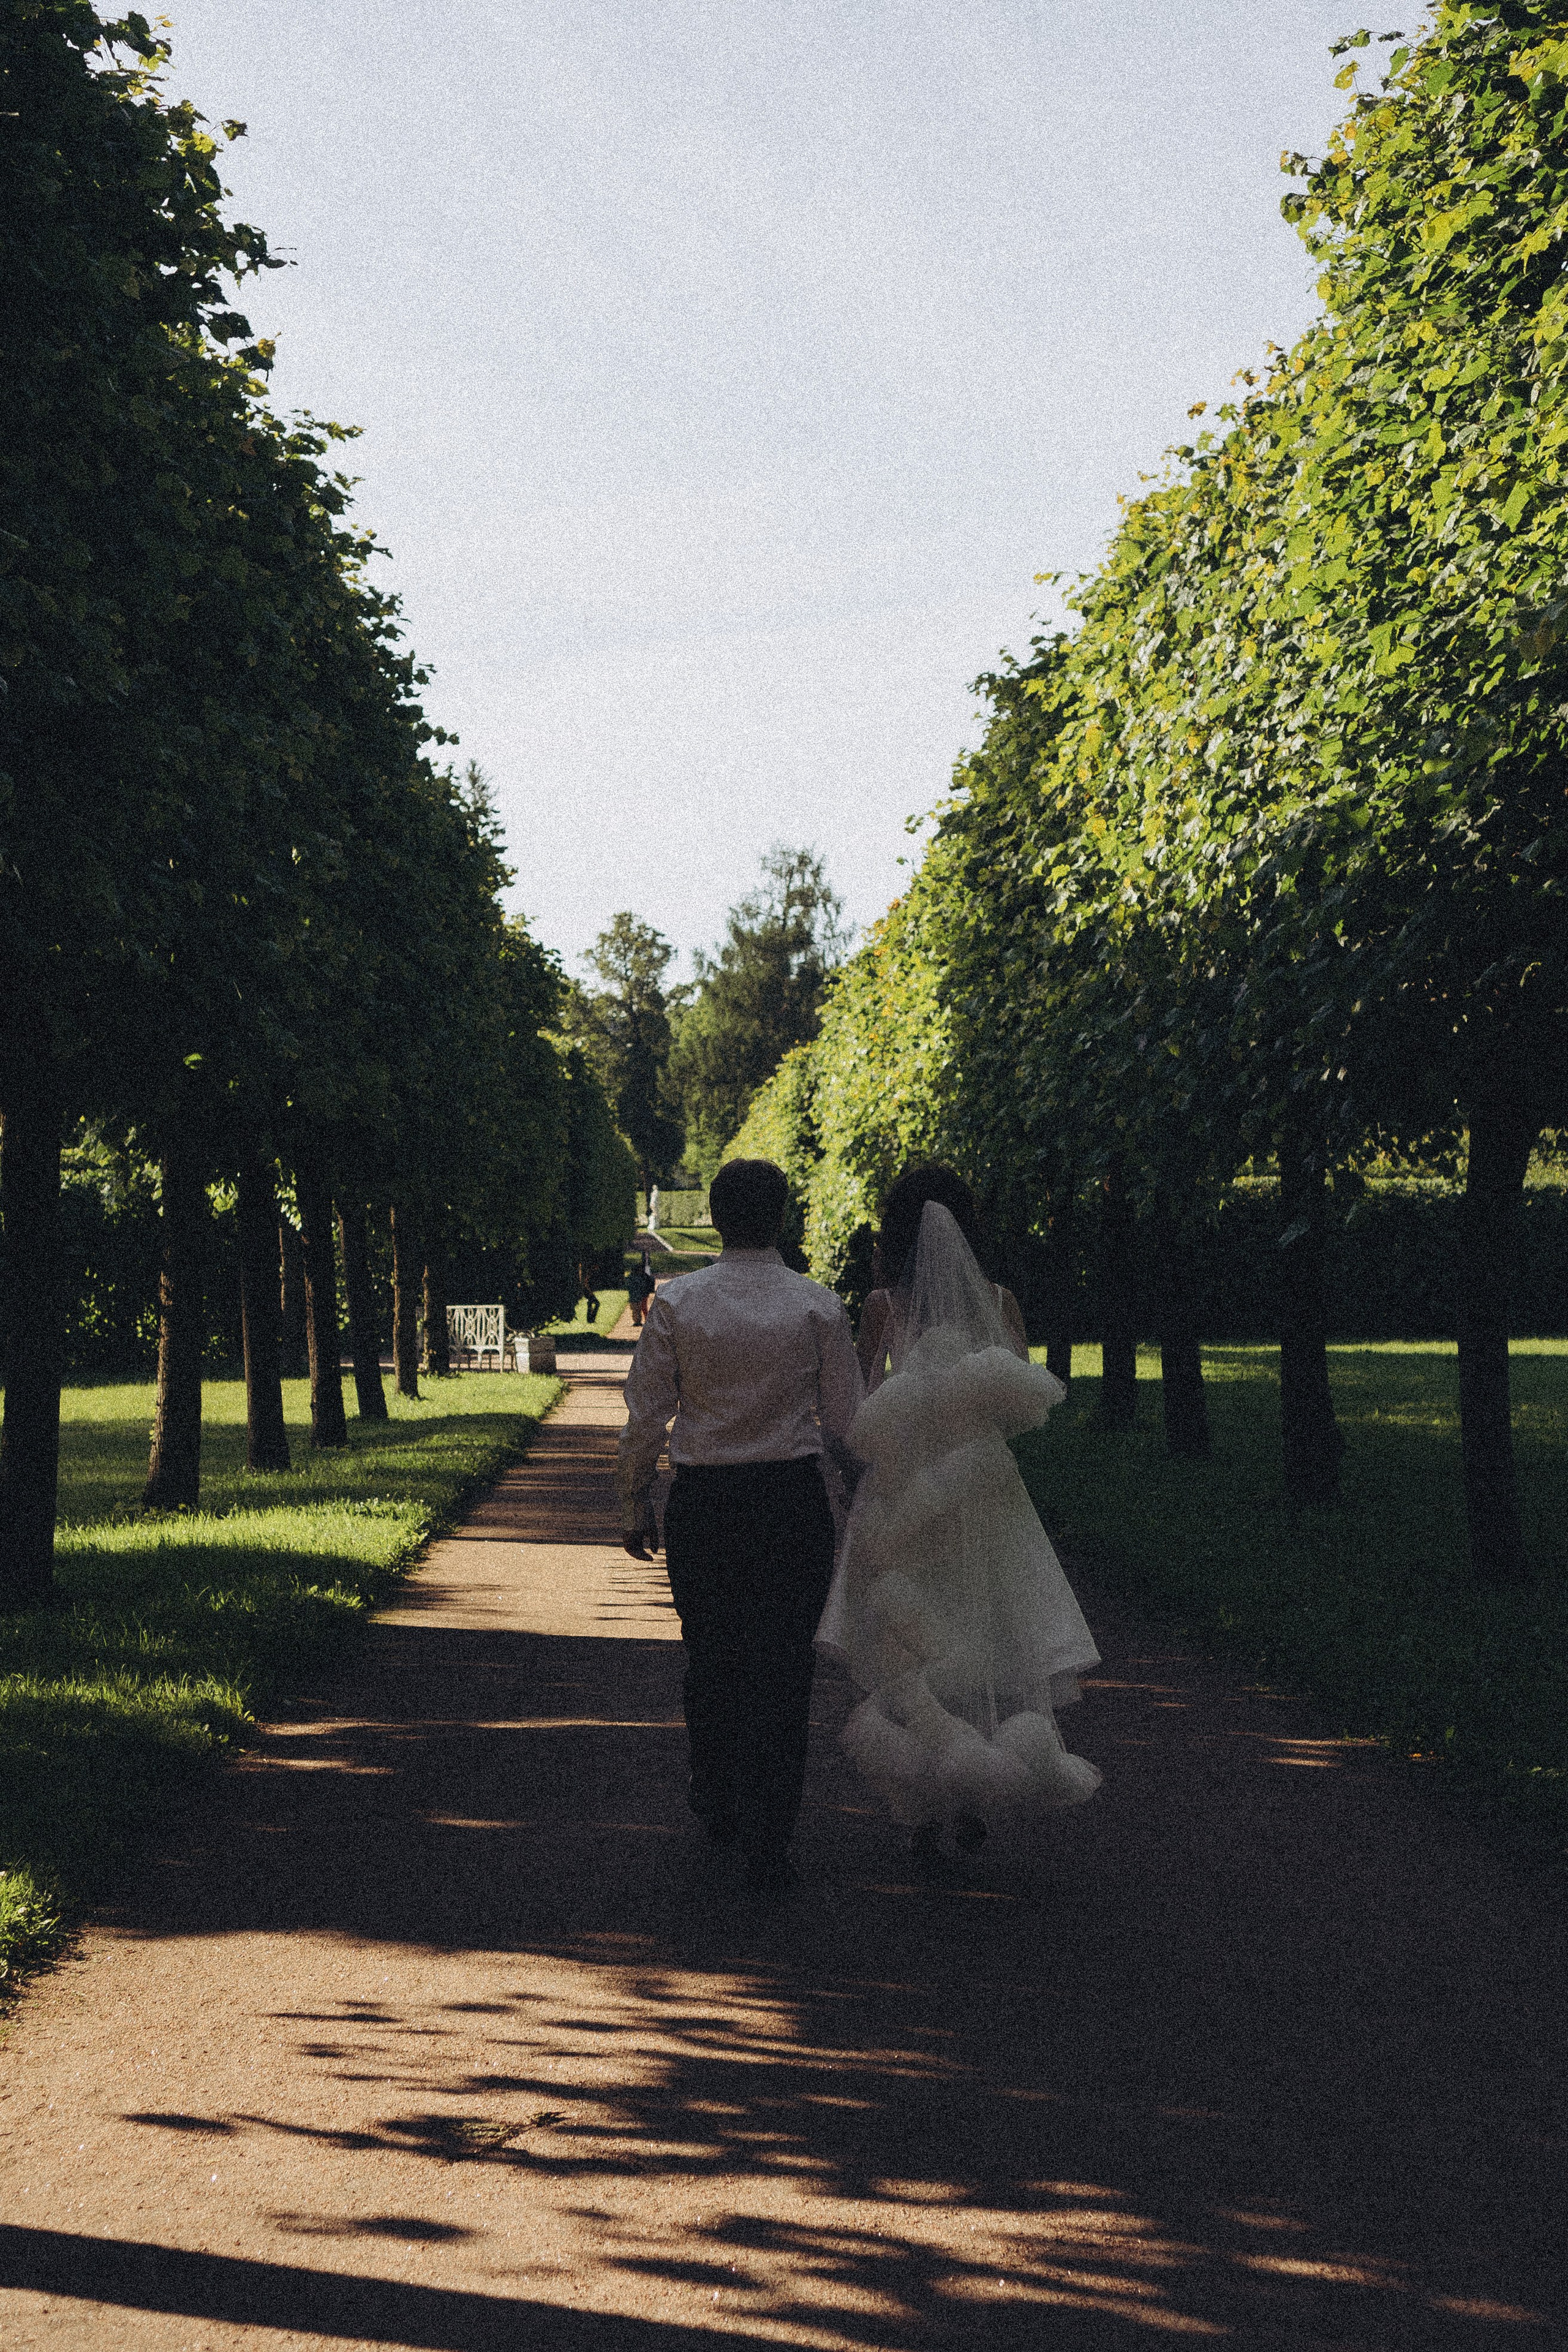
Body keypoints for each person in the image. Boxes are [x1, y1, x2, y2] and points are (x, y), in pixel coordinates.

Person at [817, 1163, 1101, 1877]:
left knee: (906, 1647)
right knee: (985, 1631)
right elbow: (1024, 1399)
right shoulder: (1000, 1301)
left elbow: (857, 1408)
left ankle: (914, 1805)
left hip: (902, 1499)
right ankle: (980, 1784)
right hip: (983, 1492)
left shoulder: (886, 1304)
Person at [618, 1158, 862, 1895]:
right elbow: (847, 1424)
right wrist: (862, 1506)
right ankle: (772, 1836)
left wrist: (633, 1500)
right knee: (786, 1673)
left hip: (707, 1505)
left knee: (713, 1656)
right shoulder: (817, 1306)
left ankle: (717, 1796)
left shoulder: (678, 1304)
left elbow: (644, 1416)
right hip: (790, 1503)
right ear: (782, 1217)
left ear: (718, 1219)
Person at [627, 1250, 656, 1329]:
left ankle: (638, 1321)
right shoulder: (642, 1277)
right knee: (640, 1308)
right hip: (640, 1294)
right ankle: (639, 1321)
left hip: (638, 1295)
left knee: (638, 1308)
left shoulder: (635, 1277)